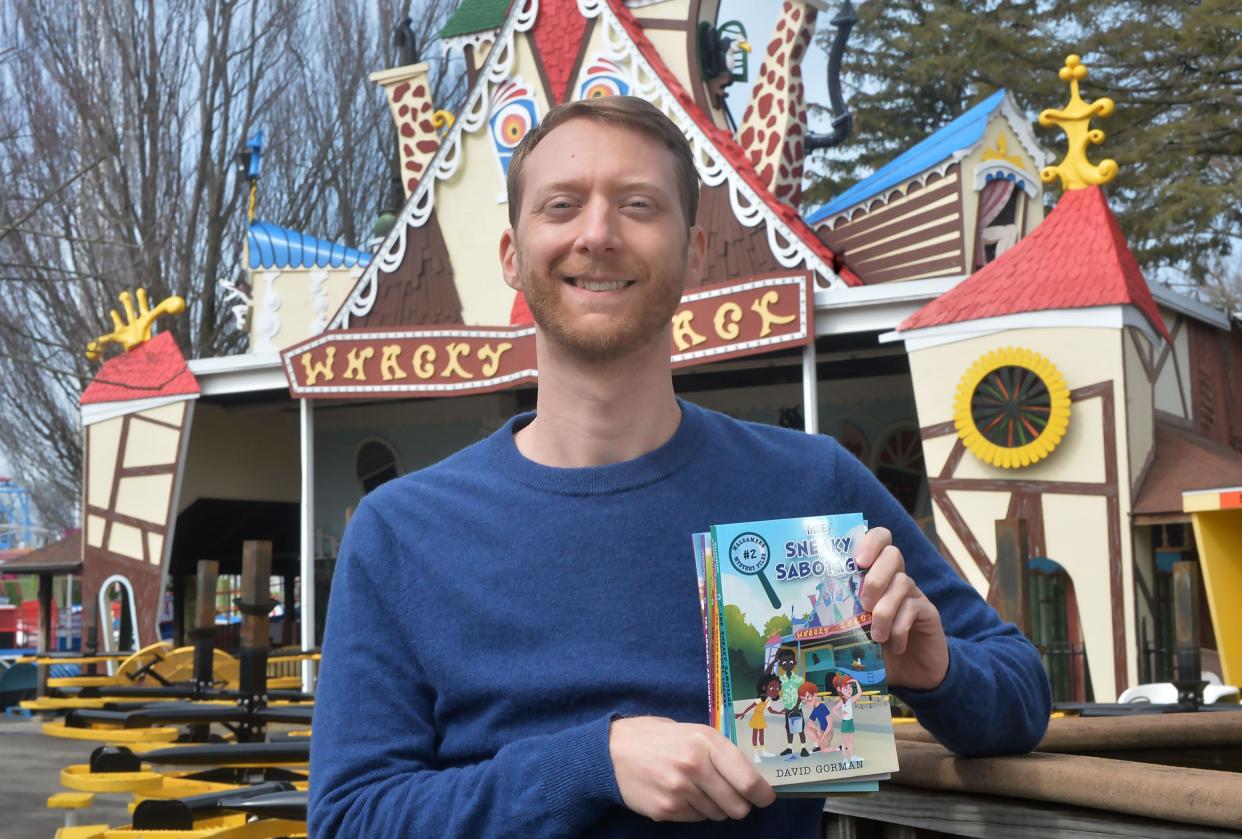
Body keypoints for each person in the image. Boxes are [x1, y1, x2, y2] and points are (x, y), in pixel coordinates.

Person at [308, 95, 1052, 838]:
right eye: (562, 206)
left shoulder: (808, 486)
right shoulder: (401, 531)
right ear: (512, 255)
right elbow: (346, 820)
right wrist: (590, 762)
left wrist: (937, 670)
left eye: (637, 205)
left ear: (695, 254)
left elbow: (1021, 691)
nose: (597, 235)